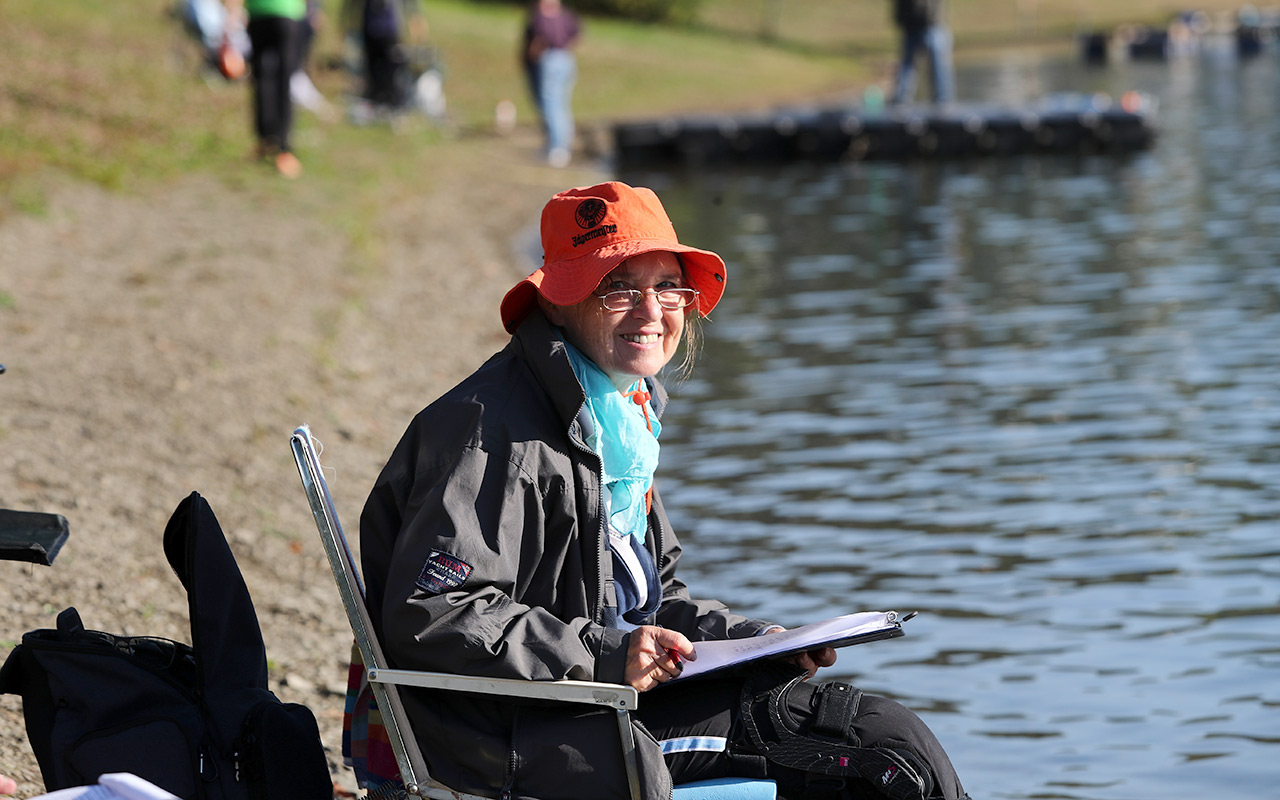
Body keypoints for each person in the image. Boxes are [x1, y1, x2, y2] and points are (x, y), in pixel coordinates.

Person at [358, 181, 970, 800]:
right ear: (559, 300)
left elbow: (652, 601)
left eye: (667, 287)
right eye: (619, 287)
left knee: (878, 731)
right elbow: (436, 610)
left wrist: (756, 643)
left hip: (594, 702)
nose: (652, 312)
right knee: (880, 760)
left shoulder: (615, 417)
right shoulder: (490, 433)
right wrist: (606, 656)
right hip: (518, 736)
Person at [223, 0, 307, 177]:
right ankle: (282, 148)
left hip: (259, 12)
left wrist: (233, 10)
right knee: (282, 80)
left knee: (262, 79)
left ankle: (266, 142)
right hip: (286, 12)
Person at [342, 0, 427, 117]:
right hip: (369, 27)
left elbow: (409, 4)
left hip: (389, 29)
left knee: (390, 71)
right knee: (372, 70)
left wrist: (415, 18)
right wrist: (347, 21)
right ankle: (375, 101)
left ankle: (391, 103)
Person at [522, 0, 580, 167]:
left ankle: (558, 148)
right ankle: (559, 145)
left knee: (551, 104)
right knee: (561, 104)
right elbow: (577, 34)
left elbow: (538, 40)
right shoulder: (566, 16)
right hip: (566, 58)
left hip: (550, 60)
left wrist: (534, 55)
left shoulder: (541, 18)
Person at [889, 0, 953, 106]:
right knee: (907, 67)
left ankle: (943, 100)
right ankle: (901, 101)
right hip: (910, 26)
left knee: (939, 65)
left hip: (933, 23)